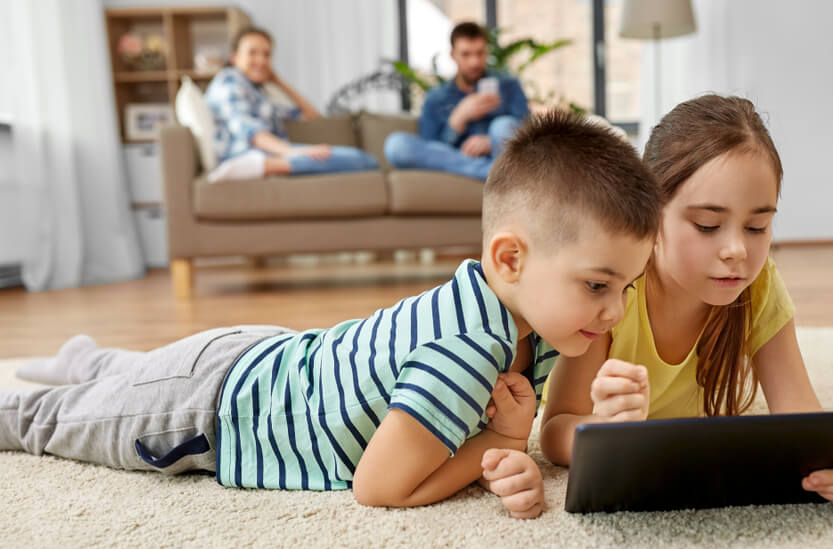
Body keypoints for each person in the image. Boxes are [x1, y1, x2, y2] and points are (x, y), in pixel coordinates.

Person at [3, 111, 661, 520]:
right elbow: (379, 487)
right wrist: (498, 442)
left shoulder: (545, 326)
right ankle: (60, 382)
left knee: (134, 374)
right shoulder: (467, 350)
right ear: (509, 258)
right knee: (48, 422)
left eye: (628, 286)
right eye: (599, 284)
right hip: (212, 408)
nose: (615, 310)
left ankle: (85, 359)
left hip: (262, 357)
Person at [540, 95, 833, 514]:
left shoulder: (759, 285)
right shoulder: (615, 290)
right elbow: (553, 431)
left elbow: (802, 420)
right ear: (651, 213)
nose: (736, 251)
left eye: (757, 226)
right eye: (707, 226)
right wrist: (604, 429)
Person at [204, 26, 379, 182]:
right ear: (234, 57)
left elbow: (311, 116)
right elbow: (247, 129)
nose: (261, 60)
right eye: (252, 53)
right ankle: (259, 166)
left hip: (273, 154)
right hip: (245, 154)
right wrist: (291, 152)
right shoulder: (228, 82)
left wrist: (278, 80)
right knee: (365, 161)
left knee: (365, 160)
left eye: (267, 54)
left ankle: (267, 165)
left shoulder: (259, 92)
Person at [383, 22, 530, 181]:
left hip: (499, 155)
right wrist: (458, 119)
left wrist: (491, 142)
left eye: (479, 53)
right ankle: (494, 174)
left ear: (486, 53)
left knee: (502, 124)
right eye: (466, 54)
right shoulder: (436, 98)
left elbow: (528, 132)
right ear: (453, 55)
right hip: (458, 159)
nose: (474, 62)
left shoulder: (509, 86)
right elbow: (431, 149)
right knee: (396, 145)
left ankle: (496, 170)